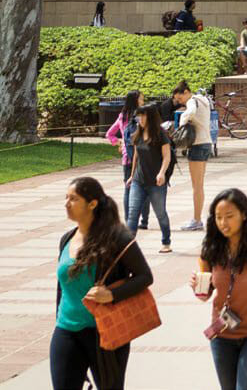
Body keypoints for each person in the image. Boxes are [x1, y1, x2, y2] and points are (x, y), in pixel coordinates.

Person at [53, 176, 154, 390]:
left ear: (92, 204)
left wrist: (111, 294)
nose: (66, 203)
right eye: (66, 198)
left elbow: (145, 276)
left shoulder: (117, 238)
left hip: (105, 333)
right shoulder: (66, 239)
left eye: (74, 199)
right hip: (66, 330)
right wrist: (58, 318)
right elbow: (62, 287)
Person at [194, 189, 247, 390]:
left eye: (229, 216)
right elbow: (204, 295)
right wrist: (198, 287)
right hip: (222, 335)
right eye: (219, 217)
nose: (223, 223)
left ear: (244, 215)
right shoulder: (210, 249)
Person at [125, 104, 172, 252]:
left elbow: (167, 157)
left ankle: (166, 241)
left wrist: (162, 173)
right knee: (132, 212)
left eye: (142, 115)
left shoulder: (160, 135)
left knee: (160, 213)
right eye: (138, 116)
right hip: (139, 181)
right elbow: (136, 157)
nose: (140, 119)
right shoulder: (138, 133)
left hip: (156, 183)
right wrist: (132, 176)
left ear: (150, 117)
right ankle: (128, 247)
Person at [105, 91, 149, 231]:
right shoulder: (143, 116)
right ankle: (144, 220)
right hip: (142, 157)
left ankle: (128, 219)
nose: (143, 100)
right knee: (145, 188)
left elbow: (109, 134)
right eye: (142, 98)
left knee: (127, 189)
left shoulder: (122, 116)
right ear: (136, 100)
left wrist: (119, 143)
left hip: (127, 158)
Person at [173, 80, 213, 230]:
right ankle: (197, 219)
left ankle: (196, 220)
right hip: (206, 143)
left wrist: (181, 125)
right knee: (199, 185)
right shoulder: (203, 99)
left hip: (197, 144)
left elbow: (189, 112)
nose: (180, 102)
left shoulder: (192, 101)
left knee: (196, 186)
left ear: (186, 92)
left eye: (180, 98)